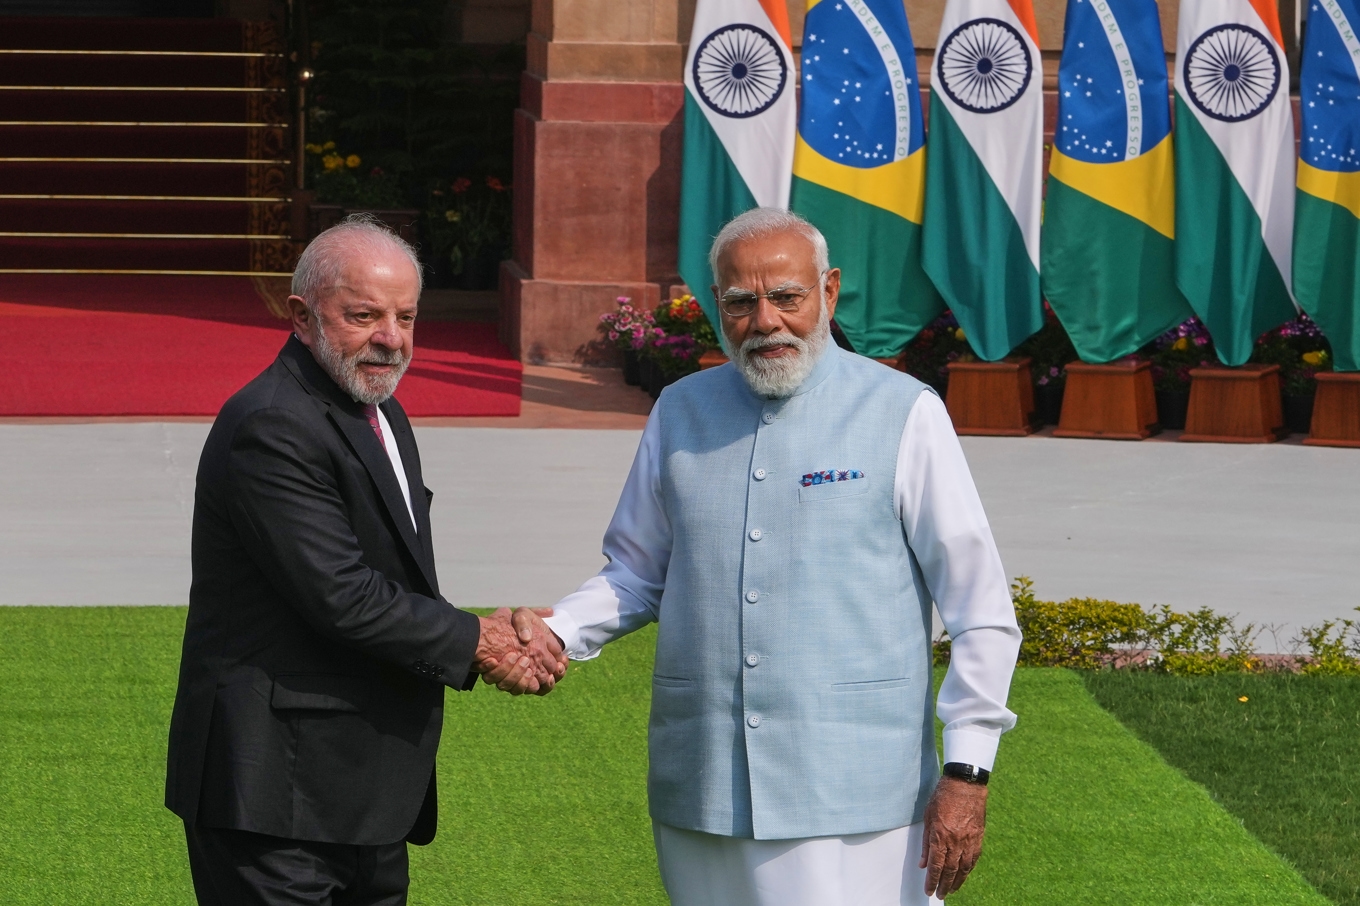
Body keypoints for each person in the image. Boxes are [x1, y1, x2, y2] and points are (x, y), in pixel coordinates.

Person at [542, 208, 1023, 906]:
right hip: (702, 785)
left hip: (861, 796)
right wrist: (555, 632)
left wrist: (968, 771)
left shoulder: (903, 412)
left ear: (828, 293)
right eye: (741, 302)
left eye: (787, 297)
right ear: (716, 308)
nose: (765, 320)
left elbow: (980, 609)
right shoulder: (680, 411)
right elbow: (637, 573)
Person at [164, 215, 565, 906]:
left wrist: (484, 635)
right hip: (272, 799)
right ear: (299, 315)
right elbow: (341, 594)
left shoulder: (379, 409)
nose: (392, 337)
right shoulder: (272, 424)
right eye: (363, 315)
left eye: (406, 316)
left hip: (362, 793)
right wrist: (482, 640)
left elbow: (390, 578)